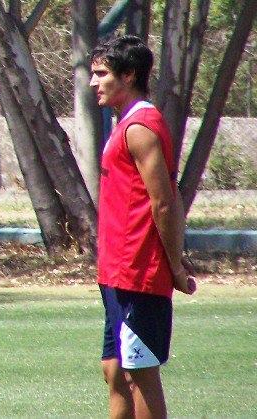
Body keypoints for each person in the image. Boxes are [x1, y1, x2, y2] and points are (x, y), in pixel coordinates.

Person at [90, 35, 197, 418]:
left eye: (101, 73)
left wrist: (175, 265)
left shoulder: (141, 127)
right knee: (115, 371)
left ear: (129, 74)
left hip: (139, 272)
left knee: (140, 374)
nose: (93, 82)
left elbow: (165, 202)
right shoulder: (126, 124)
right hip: (116, 272)